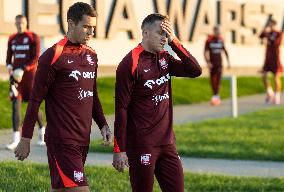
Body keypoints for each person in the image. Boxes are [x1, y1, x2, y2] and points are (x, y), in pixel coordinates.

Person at [14, 2, 112, 192]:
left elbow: (93, 95)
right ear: (71, 23)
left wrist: (103, 125)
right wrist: (26, 138)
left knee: (61, 189)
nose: (90, 32)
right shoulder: (53, 55)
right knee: (80, 189)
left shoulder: (92, 55)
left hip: (83, 139)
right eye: (85, 27)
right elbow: (35, 100)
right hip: (62, 140)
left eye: (93, 27)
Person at [112, 13, 202, 192]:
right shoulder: (129, 63)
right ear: (145, 33)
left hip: (167, 143)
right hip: (142, 144)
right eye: (160, 33)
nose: (164, 38)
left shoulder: (165, 59)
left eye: (166, 33)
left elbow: (195, 70)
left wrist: (174, 41)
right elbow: (121, 108)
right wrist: (119, 149)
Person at [6, 14, 45, 150]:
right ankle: (16, 139)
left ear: (26, 23)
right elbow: (8, 58)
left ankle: (42, 132)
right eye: (17, 23)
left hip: (30, 77)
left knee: (33, 107)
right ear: (15, 23)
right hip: (16, 79)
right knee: (15, 105)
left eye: (22, 23)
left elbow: (36, 57)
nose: (19, 25)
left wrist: (24, 68)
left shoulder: (33, 37)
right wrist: (10, 68)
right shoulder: (12, 38)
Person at [204, 25, 230, 106]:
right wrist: (208, 62)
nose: (218, 33)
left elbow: (225, 51)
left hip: (219, 64)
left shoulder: (221, 40)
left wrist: (228, 62)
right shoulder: (209, 40)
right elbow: (205, 52)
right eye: (217, 31)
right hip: (212, 64)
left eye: (219, 32)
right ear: (214, 31)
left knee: (218, 80)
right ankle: (214, 95)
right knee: (212, 80)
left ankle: (216, 96)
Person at [259, 18, 283, 104]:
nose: (270, 26)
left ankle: (277, 95)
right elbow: (260, 36)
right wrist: (264, 29)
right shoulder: (267, 32)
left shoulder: (279, 33)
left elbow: (277, 43)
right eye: (269, 24)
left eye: (271, 24)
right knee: (264, 76)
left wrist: (268, 36)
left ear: (274, 24)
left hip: (275, 58)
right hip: (267, 58)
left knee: (276, 77)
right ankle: (270, 92)